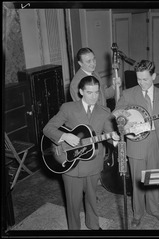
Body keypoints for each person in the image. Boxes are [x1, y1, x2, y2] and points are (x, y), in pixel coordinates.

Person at [43, 75, 119, 230]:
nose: (94, 97)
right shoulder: (68, 108)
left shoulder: (104, 112)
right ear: (81, 91)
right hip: (71, 164)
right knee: (73, 203)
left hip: (93, 163)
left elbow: (109, 135)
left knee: (92, 199)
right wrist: (65, 136)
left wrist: (117, 139)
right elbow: (48, 129)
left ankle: (93, 225)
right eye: (90, 92)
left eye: (97, 92)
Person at [115, 60, 159, 228]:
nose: (141, 83)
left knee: (153, 179)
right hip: (136, 143)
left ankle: (153, 209)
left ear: (153, 76)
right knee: (138, 181)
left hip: (156, 142)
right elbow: (117, 112)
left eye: (145, 79)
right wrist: (125, 122)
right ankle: (137, 213)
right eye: (139, 79)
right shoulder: (129, 93)